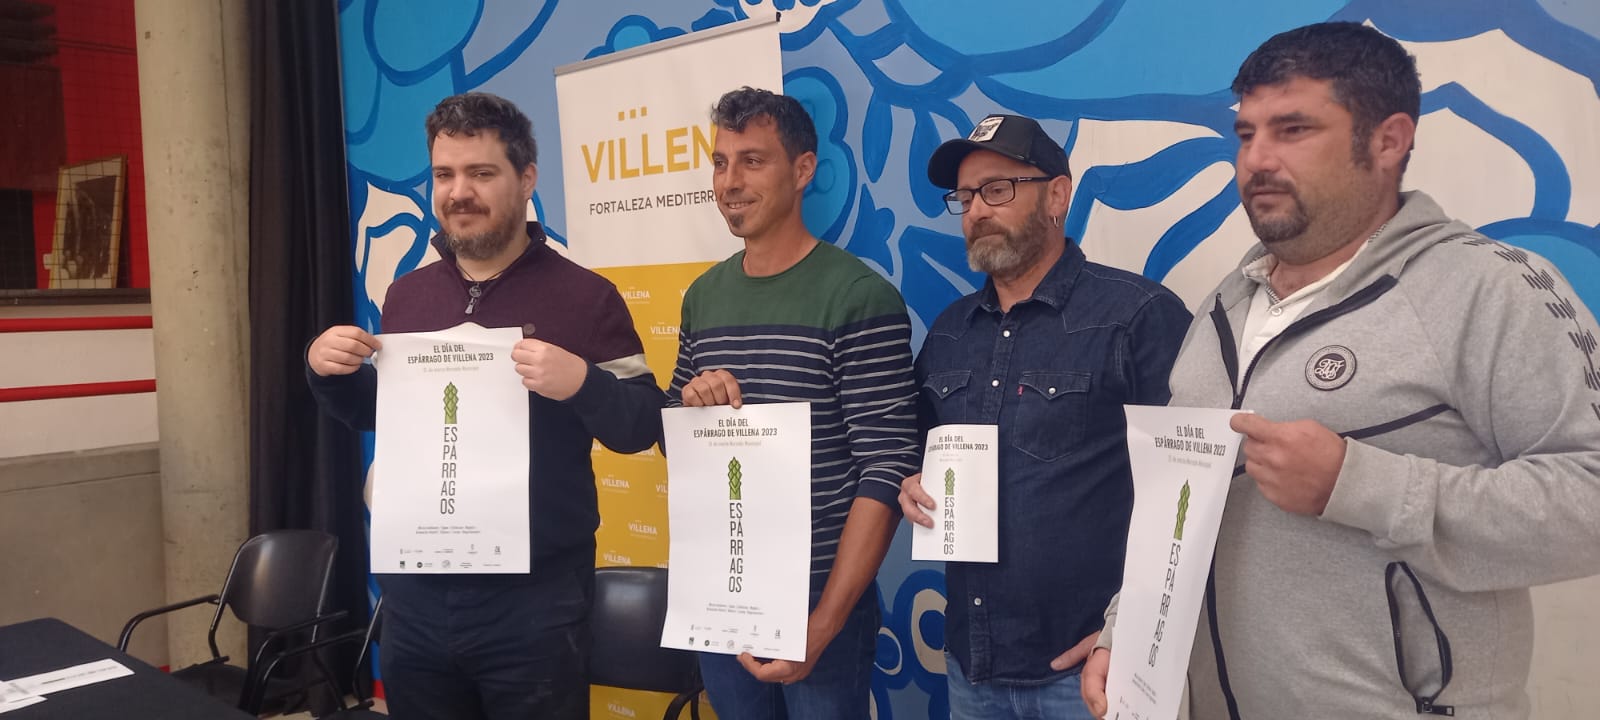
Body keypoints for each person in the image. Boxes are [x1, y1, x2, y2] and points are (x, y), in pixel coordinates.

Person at [1080, 22, 1600, 719]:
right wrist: (1128, 628)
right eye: (1245, 134)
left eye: (1293, 129)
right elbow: (1177, 503)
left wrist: (1357, 485)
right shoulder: (1224, 305)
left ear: (1388, 141)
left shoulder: (1488, 287)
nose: (1256, 160)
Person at [305, 92, 664, 720]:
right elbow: (385, 416)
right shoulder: (407, 296)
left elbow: (643, 425)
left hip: (536, 607)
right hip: (416, 599)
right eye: (444, 174)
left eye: (481, 173)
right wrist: (327, 373)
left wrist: (583, 382)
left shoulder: (587, 297)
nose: (458, 192)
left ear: (526, 179)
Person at [898, 114, 1191, 720]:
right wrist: (910, 482)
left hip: (1091, 672)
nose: (976, 210)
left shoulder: (1138, 316)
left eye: (997, 189)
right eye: (965, 197)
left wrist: (1129, 628)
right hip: (971, 668)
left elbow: (1192, 494)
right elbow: (917, 451)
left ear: (1057, 195)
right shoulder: (949, 333)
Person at [666, 86, 919, 719]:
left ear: (803, 170)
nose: (730, 182)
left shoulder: (857, 296)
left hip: (818, 601)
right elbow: (674, 439)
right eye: (720, 162)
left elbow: (888, 466)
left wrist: (825, 621)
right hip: (724, 589)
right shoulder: (703, 295)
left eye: (752, 161)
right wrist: (693, 408)